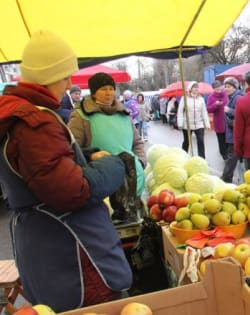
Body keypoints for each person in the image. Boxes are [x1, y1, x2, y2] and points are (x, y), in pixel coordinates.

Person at [0, 30, 132, 311]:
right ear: (48, 76)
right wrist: (113, 165)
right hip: (73, 252)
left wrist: (82, 155)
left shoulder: (17, 113)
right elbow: (71, 191)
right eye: (64, 76)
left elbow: (37, 166)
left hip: (43, 244)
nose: (70, 83)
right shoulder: (36, 121)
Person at [68, 72, 146, 222]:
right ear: (93, 92)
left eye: (111, 88)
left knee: (133, 226)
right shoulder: (81, 116)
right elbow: (72, 149)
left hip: (133, 180)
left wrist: (141, 163)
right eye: (103, 89)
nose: (109, 93)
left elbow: (137, 143)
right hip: (102, 185)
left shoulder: (124, 114)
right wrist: (91, 157)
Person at [177, 81, 210, 158]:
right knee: (186, 141)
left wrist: (207, 124)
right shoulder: (184, 98)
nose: (196, 89)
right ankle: (183, 157)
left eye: (197, 87)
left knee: (201, 141)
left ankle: (202, 159)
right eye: (194, 87)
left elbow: (204, 112)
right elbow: (180, 111)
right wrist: (180, 123)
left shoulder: (201, 99)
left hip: (199, 124)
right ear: (190, 89)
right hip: (187, 124)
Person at [221, 77, 244, 183]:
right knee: (235, 158)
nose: (226, 89)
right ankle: (232, 178)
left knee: (232, 158)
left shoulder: (238, 98)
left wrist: (229, 110)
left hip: (236, 134)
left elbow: (241, 114)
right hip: (233, 133)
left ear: (235, 87)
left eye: (229, 86)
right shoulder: (232, 97)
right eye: (225, 86)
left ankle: (226, 179)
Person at [207, 80, 228, 160]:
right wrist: (215, 105)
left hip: (228, 121)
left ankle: (229, 154)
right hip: (219, 122)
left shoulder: (226, 94)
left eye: (219, 87)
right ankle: (224, 155)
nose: (218, 89)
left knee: (229, 139)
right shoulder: (211, 97)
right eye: (216, 88)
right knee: (221, 139)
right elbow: (208, 109)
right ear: (213, 89)